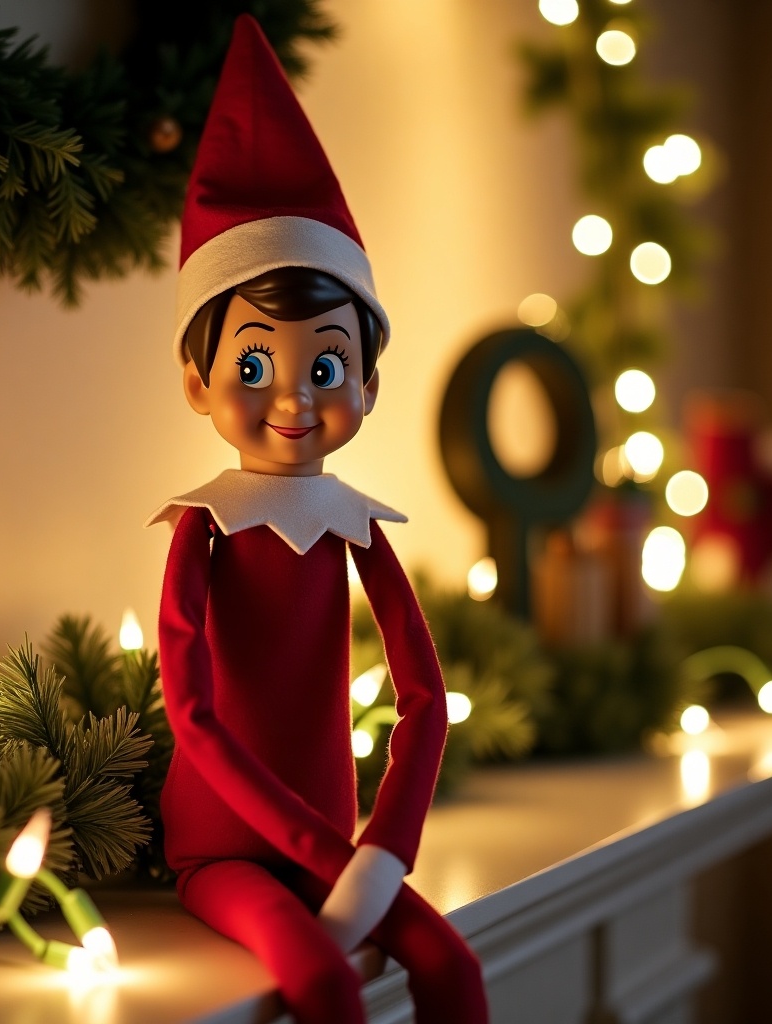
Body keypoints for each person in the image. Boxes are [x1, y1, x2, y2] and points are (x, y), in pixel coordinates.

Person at [146, 16, 489, 1024]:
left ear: (369, 383)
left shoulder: (355, 530)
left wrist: (385, 846)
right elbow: (193, 714)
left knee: (456, 969)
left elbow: (425, 696)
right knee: (324, 982)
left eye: (325, 365)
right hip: (224, 850)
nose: (293, 399)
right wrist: (330, 856)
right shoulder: (201, 530)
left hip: (347, 843)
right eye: (254, 366)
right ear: (196, 381)